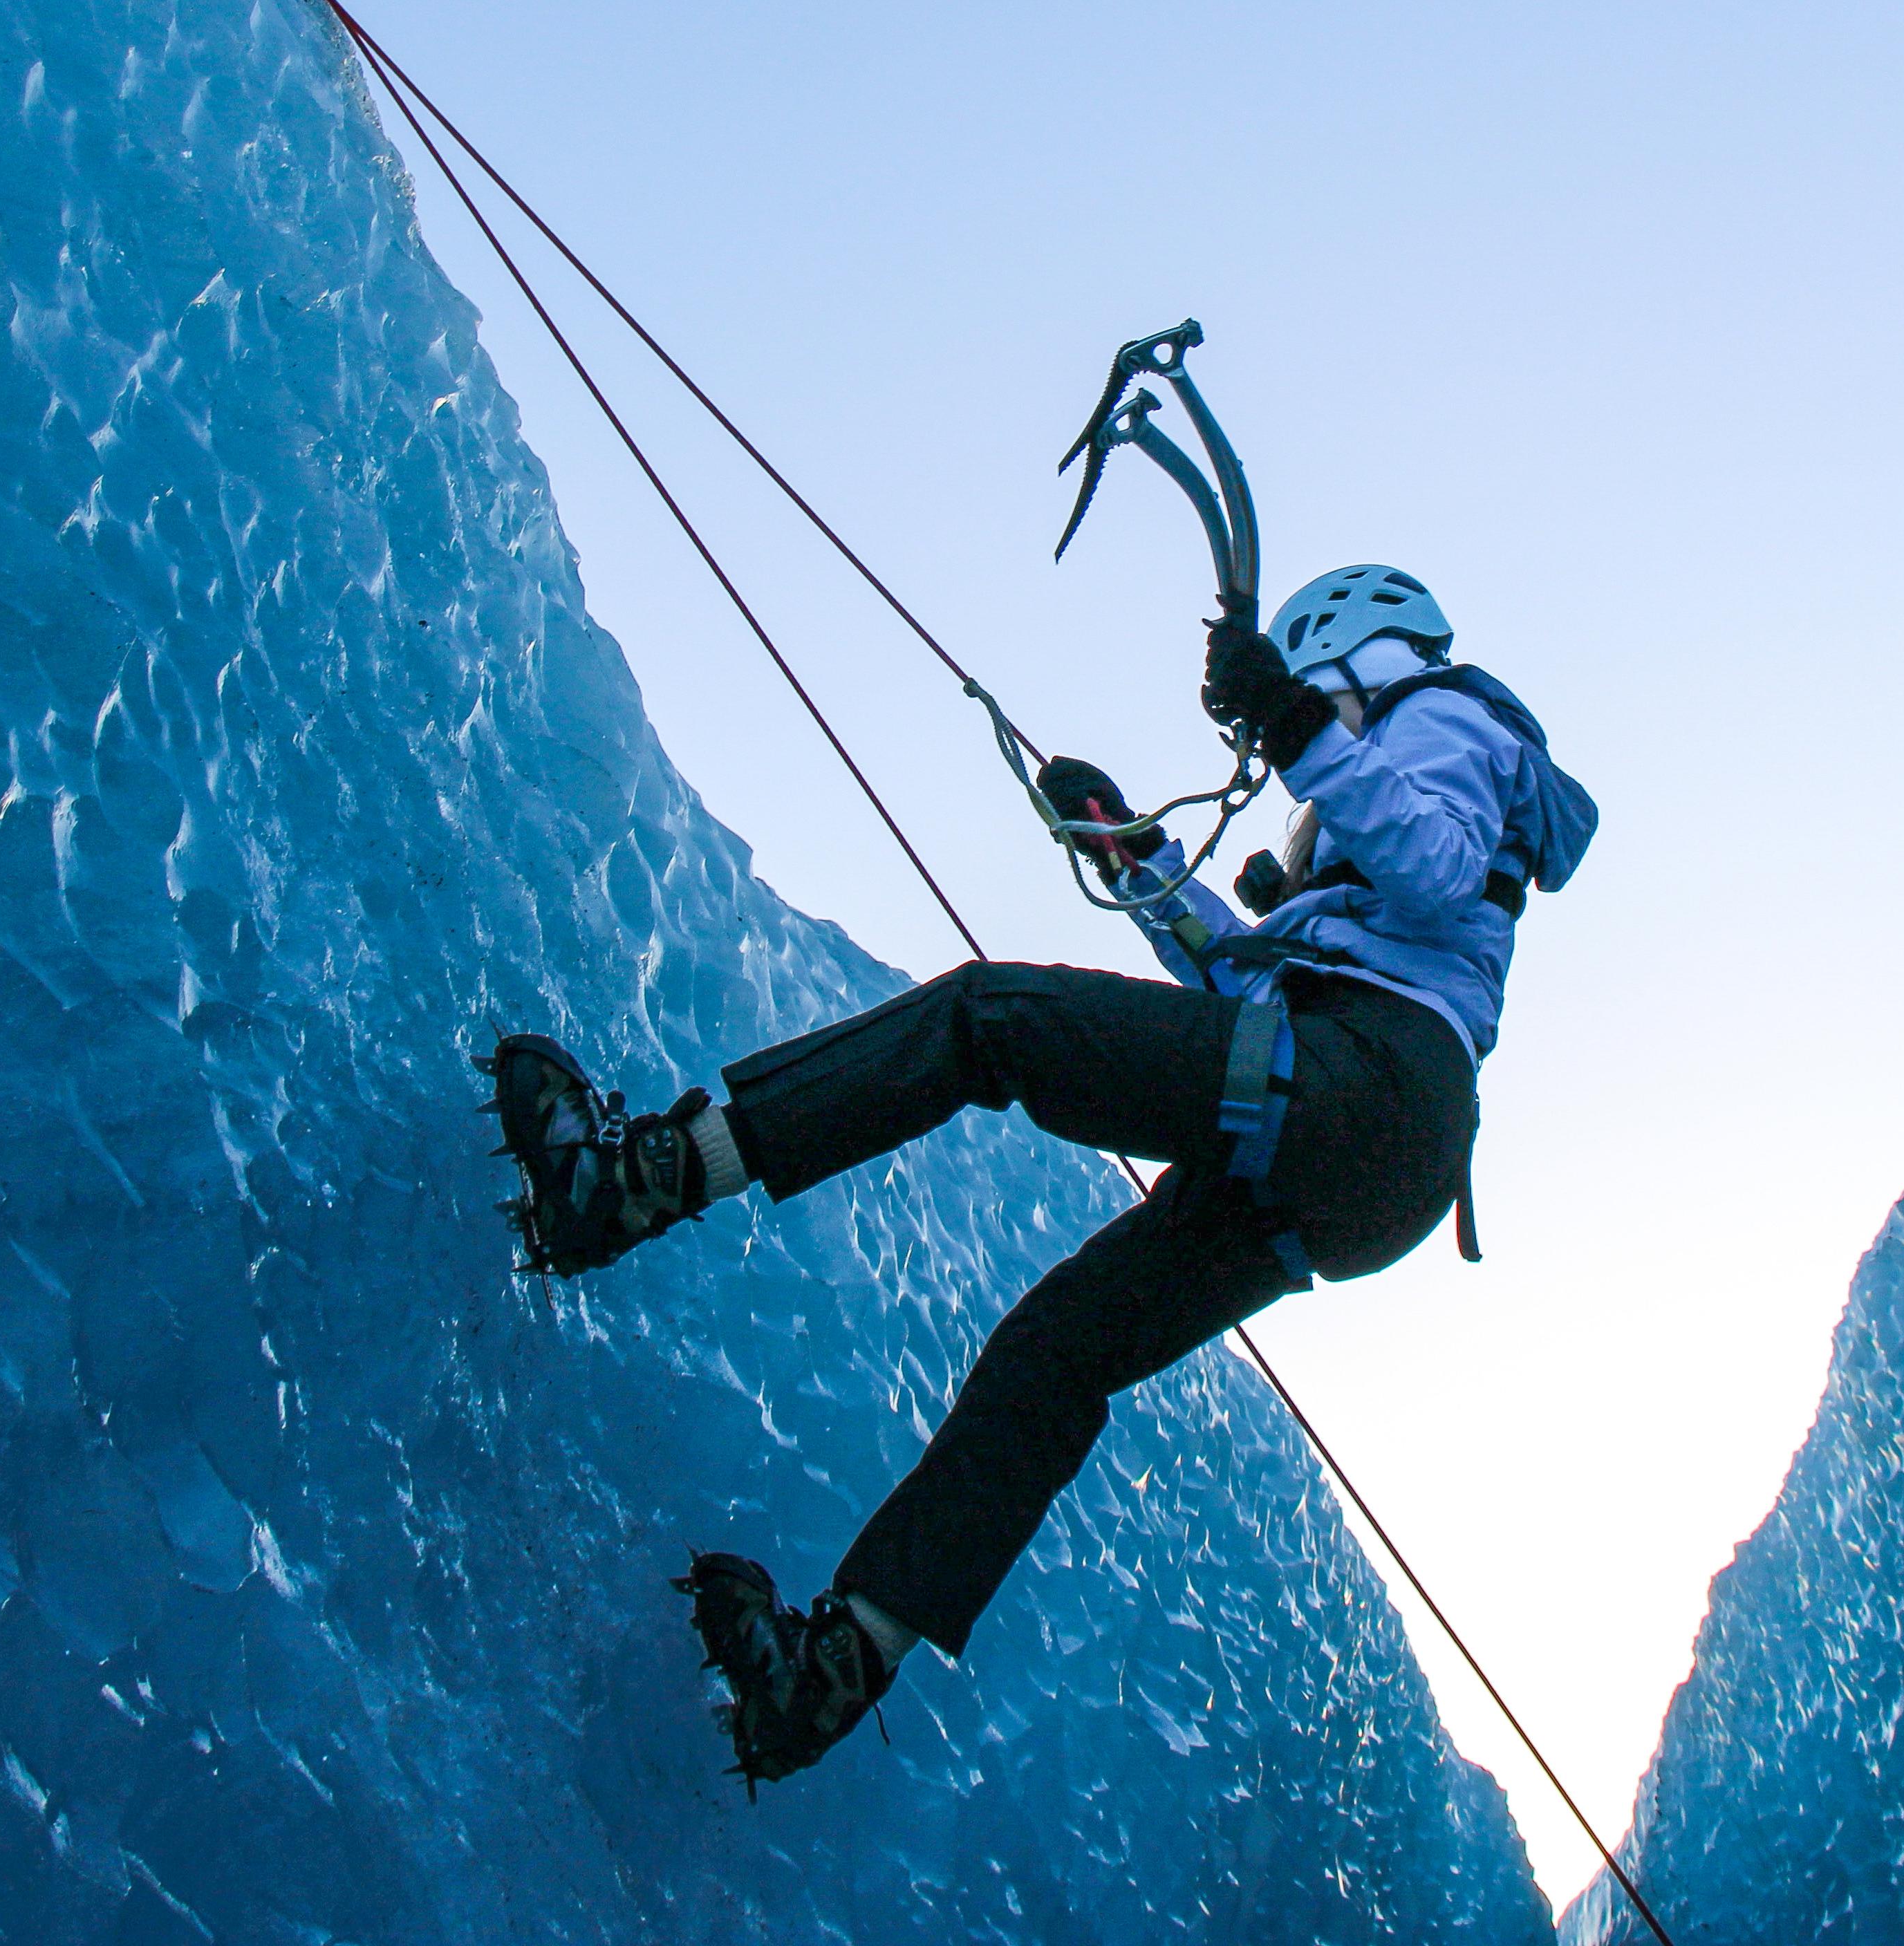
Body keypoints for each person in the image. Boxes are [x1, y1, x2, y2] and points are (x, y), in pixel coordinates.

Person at [484, 563, 1596, 1785]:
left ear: (1354, 657)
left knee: (986, 1020)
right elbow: (1241, 992)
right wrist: (1132, 854)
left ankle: (636, 1180)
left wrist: (1287, 722)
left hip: (1363, 1082)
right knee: (1056, 1354)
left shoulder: (1442, 712)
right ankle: (828, 1675)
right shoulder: (1374, 854)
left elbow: (1434, 866)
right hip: (1354, 1140)